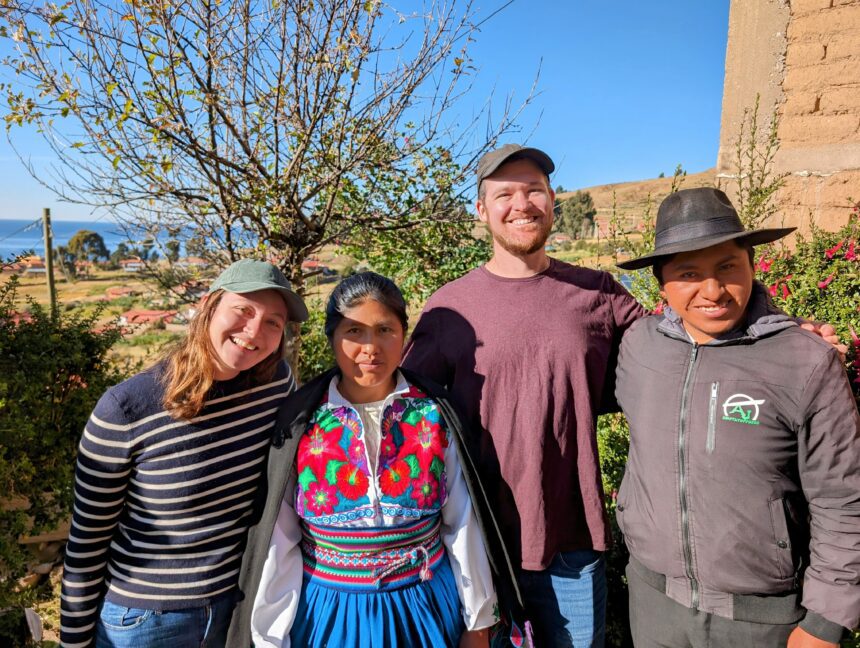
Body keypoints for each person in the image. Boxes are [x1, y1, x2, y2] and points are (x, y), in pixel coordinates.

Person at [402, 143, 645, 647]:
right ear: (481, 209)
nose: (522, 204)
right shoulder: (450, 308)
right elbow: (402, 413)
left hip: (572, 543)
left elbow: (681, 345)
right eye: (505, 194)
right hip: (474, 544)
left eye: (534, 190)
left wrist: (771, 324)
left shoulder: (598, 293)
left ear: (553, 199)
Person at [613, 187, 860, 647]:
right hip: (651, 602)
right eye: (689, 273)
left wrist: (826, 620)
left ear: (752, 264)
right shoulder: (637, 347)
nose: (713, 291)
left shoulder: (804, 361)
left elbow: (843, 498)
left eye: (727, 267)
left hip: (764, 620)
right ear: (661, 284)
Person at [227, 272, 522, 648]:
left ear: (404, 335)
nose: (371, 348)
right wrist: (271, 637)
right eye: (354, 331)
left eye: (385, 330)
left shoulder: (433, 415)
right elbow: (280, 539)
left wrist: (478, 622)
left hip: (426, 605)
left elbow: (462, 522)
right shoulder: (303, 423)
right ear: (331, 336)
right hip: (329, 614)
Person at [60, 259, 308, 648]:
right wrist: (73, 643)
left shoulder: (276, 385)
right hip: (147, 622)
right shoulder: (126, 409)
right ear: (209, 305)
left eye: (272, 322)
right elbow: (87, 543)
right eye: (243, 310)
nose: (254, 331)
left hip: (237, 608)